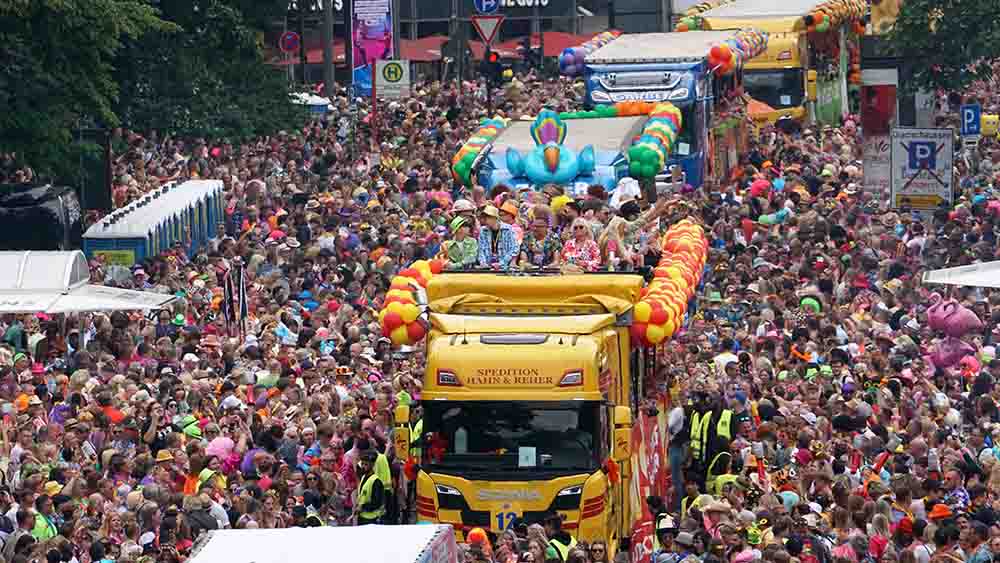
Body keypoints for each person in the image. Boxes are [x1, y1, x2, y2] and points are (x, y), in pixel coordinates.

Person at [477, 205, 518, 269]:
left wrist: (501, 263)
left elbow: (514, 249)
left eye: (487, 217)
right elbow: (481, 249)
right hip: (488, 266)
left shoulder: (508, 229)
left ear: (495, 218)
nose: (484, 220)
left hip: (505, 266)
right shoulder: (483, 230)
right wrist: (483, 263)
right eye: (484, 217)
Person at [354, 450, 384, 525]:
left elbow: (377, 503)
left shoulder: (376, 481)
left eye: (366, 464)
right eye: (362, 464)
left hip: (371, 519)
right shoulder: (363, 477)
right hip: (362, 517)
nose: (363, 466)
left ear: (372, 465)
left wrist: (362, 507)